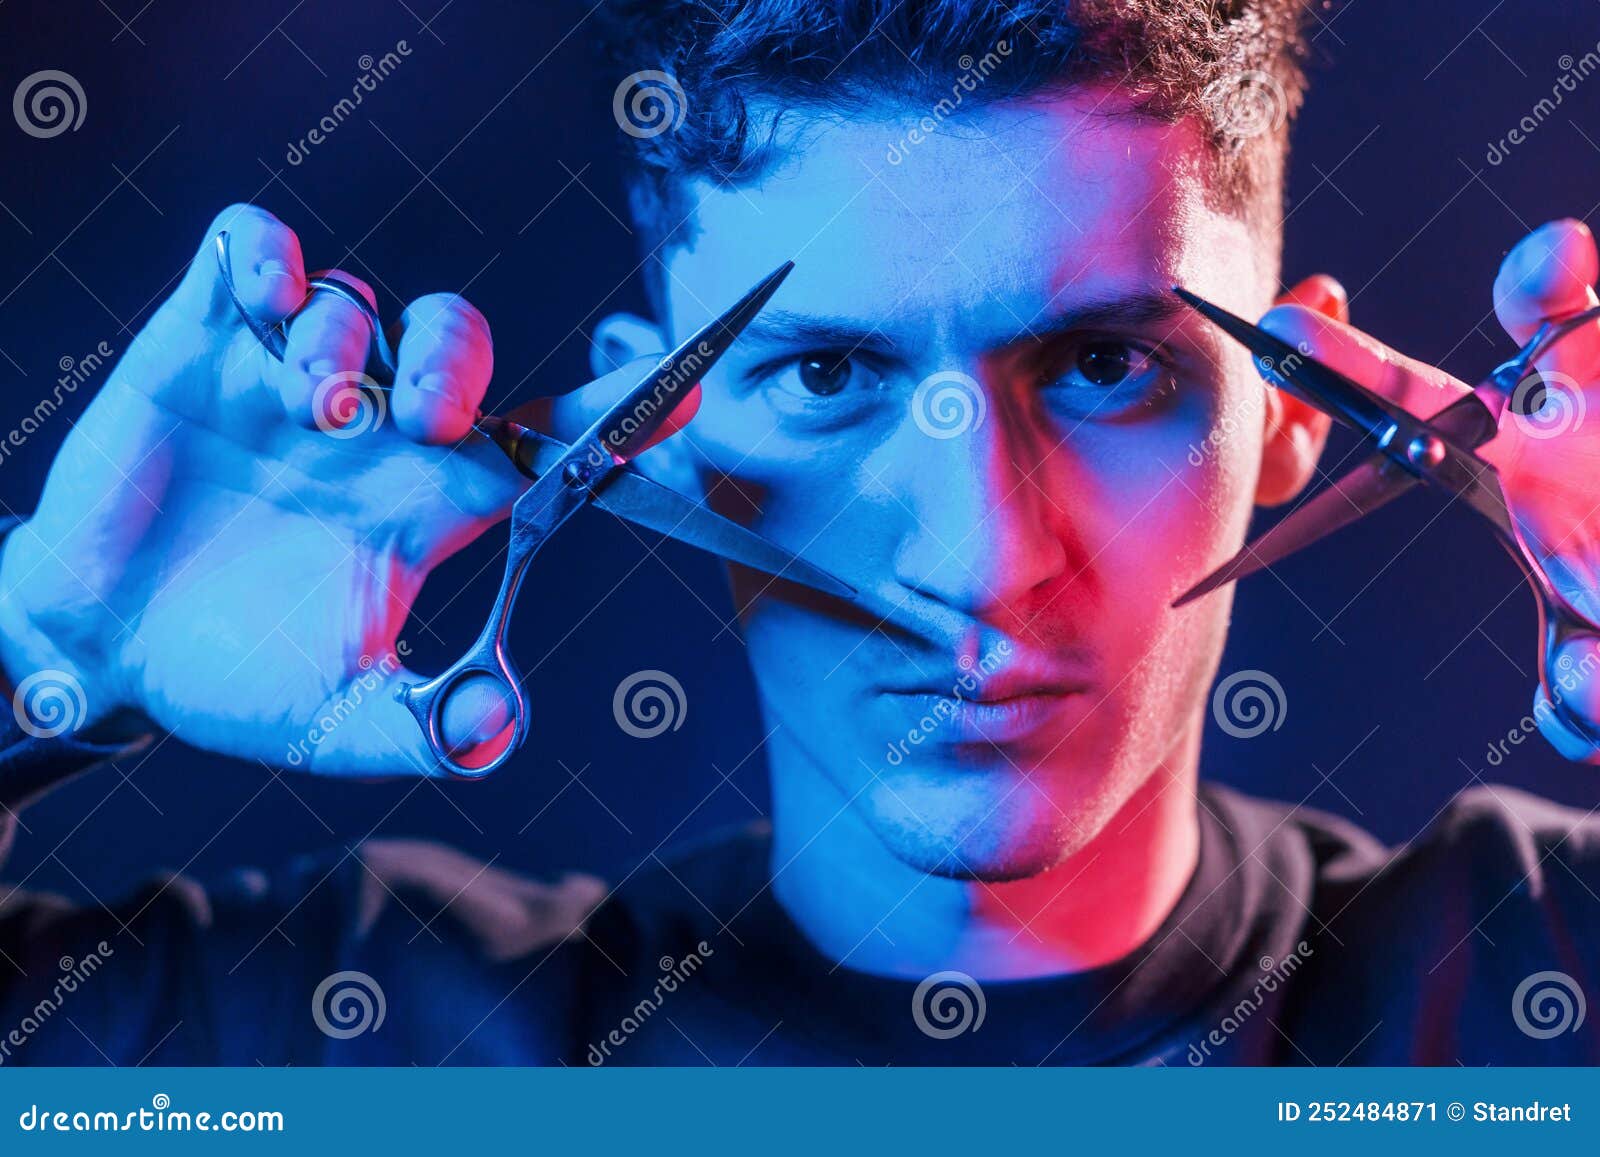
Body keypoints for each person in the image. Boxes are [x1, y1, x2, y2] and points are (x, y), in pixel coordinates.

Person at [1, 0, 1597, 1066]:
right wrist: (42, 662)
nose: (981, 564)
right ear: (650, 444)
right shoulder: (349, 1036)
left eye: (1107, 368)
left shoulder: (1549, 979)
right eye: (828, 373)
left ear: (1298, 407)